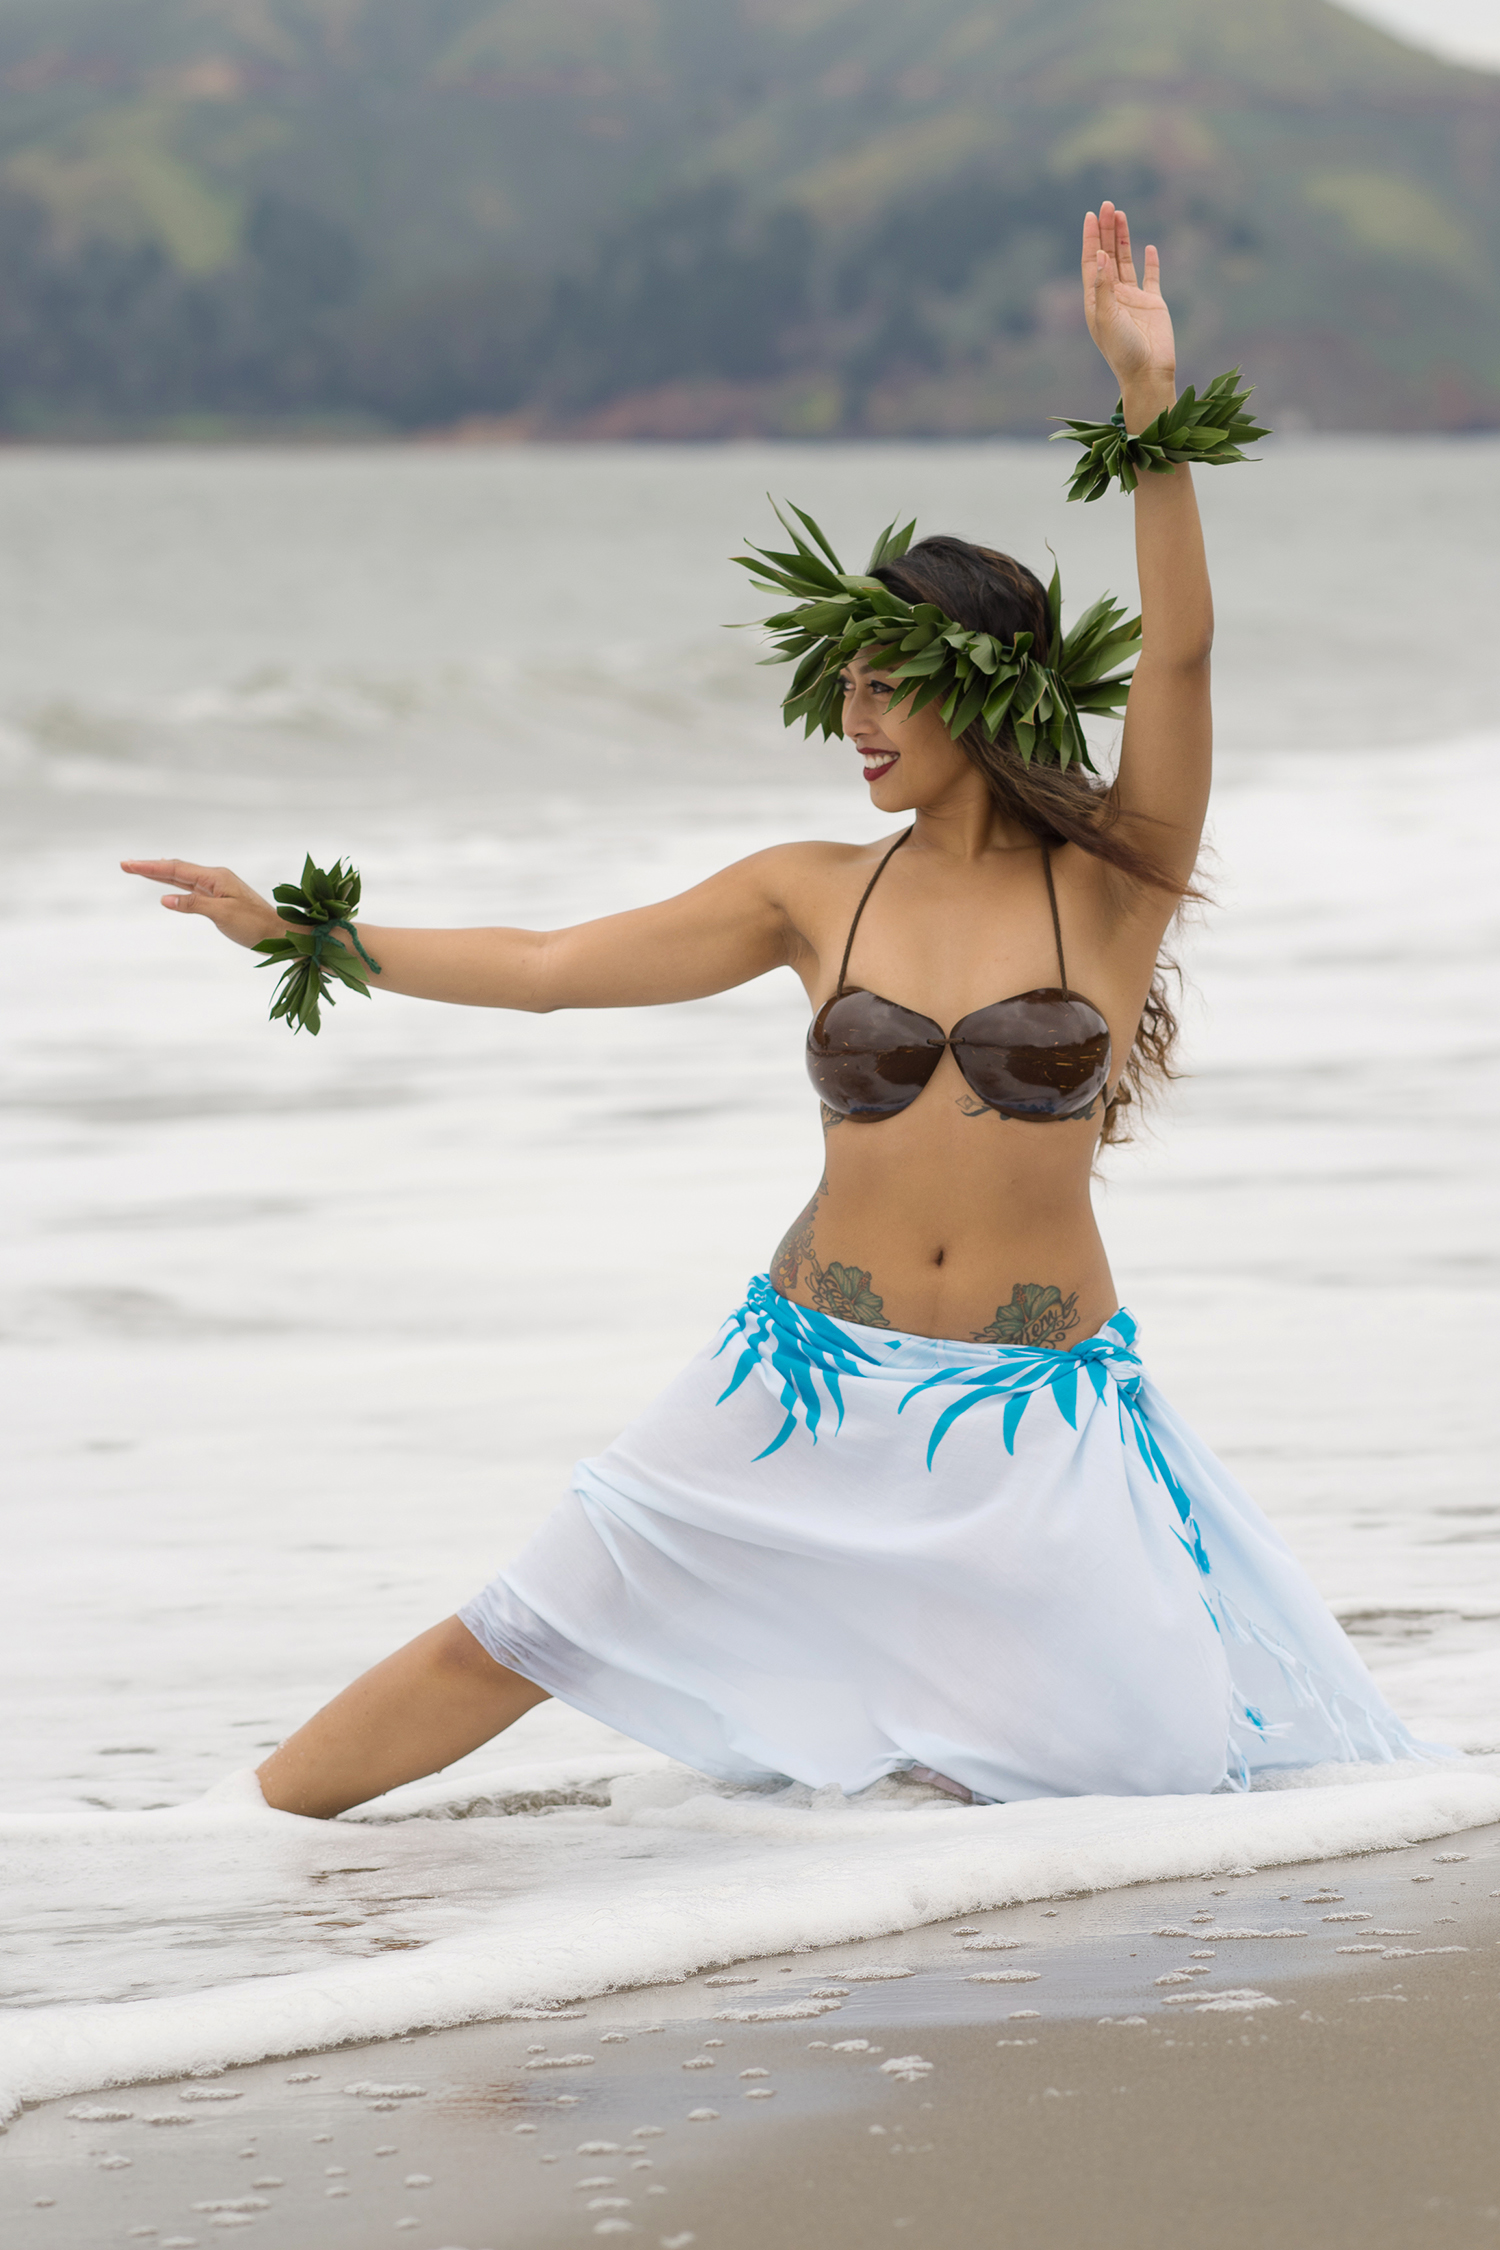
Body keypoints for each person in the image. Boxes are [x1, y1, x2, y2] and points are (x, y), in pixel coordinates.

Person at [123, 204, 1426, 1820]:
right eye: (844, 687)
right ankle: (210, 1849)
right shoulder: (815, 890)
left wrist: (1146, 404)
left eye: (886, 684)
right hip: (797, 1375)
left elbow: (1183, 660)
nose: (852, 719)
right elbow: (544, 964)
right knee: (517, 1631)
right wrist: (300, 928)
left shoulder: (1114, 884)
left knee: (1141, 1770)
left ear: (989, 686)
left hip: (1033, 1409)